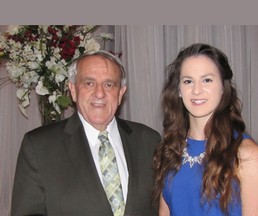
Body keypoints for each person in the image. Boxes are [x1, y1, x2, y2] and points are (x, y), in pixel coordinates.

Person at [11, 50, 161, 216]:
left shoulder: (149, 141)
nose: (99, 93)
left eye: (109, 84)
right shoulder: (39, 147)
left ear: (120, 94)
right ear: (73, 90)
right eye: (89, 83)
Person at [153, 43, 258, 216]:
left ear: (223, 87)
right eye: (188, 81)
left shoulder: (248, 156)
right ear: (178, 90)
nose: (196, 90)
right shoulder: (170, 149)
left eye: (207, 80)